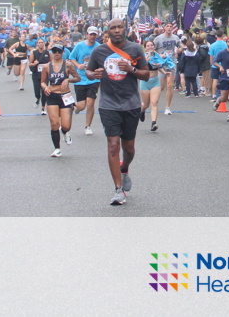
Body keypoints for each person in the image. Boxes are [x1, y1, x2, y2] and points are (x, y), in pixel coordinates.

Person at [85, 18, 150, 206]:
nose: (116, 30)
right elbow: (88, 71)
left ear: (124, 29)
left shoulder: (135, 49)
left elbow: (146, 74)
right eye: (112, 28)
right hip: (108, 104)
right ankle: (118, 190)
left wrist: (131, 69)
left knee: (128, 148)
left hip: (131, 104)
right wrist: (93, 74)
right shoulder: (99, 51)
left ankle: (125, 168)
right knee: (113, 145)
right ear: (108, 31)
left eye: (119, 27)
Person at [41, 44, 81, 157]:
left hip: (65, 96)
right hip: (52, 96)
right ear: (52, 53)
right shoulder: (47, 66)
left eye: (59, 51)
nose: (57, 53)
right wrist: (45, 87)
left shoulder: (68, 65)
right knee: (54, 124)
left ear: (63, 52)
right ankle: (57, 149)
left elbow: (78, 78)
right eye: (54, 51)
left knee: (66, 126)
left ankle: (65, 132)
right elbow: (43, 81)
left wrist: (68, 80)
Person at [69, 26, 102, 133]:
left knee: (90, 103)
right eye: (91, 34)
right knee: (82, 106)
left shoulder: (99, 47)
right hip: (81, 79)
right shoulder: (80, 45)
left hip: (93, 79)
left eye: (94, 35)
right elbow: (72, 58)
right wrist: (78, 65)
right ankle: (76, 108)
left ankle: (88, 126)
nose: (92, 37)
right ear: (87, 35)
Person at [139, 39, 167, 132]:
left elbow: (159, 67)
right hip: (145, 82)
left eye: (151, 45)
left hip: (155, 81)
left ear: (154, 46)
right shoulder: (143, 57)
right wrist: (145, 62)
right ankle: (142, 110)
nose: (150, 47)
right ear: (145, 48)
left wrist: (165, 73)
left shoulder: (157, 56)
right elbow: (139, 69)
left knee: (154, 102)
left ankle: (153, 123)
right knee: (146, 104)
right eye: (148, 46)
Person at [153, 22, 180, 114]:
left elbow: (180, 47)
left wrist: (178, 50)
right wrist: (159, 55)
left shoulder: (176, 38)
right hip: (161, 64)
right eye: (167, 26)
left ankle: (167, 108)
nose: (169, 28)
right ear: (164, 28)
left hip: (171, 63)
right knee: (161, 86)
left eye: (170, 26)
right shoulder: (158, 39)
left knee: (170, 85)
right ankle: (154, 102)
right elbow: (152, 50)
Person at [28, 39, 50, 108]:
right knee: (37, 91)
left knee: (44, 91)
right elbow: (30, 64)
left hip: (45, 75)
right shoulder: (34, 52)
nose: (41, 44)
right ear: (37, 44)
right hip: (36, 74)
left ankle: (43, 107)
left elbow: (52, 63)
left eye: (42, 42)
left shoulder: (48, 53)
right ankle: (37, 98)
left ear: (44, 43)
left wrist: (48, 65)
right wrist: (34, 63)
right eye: (39, 43)